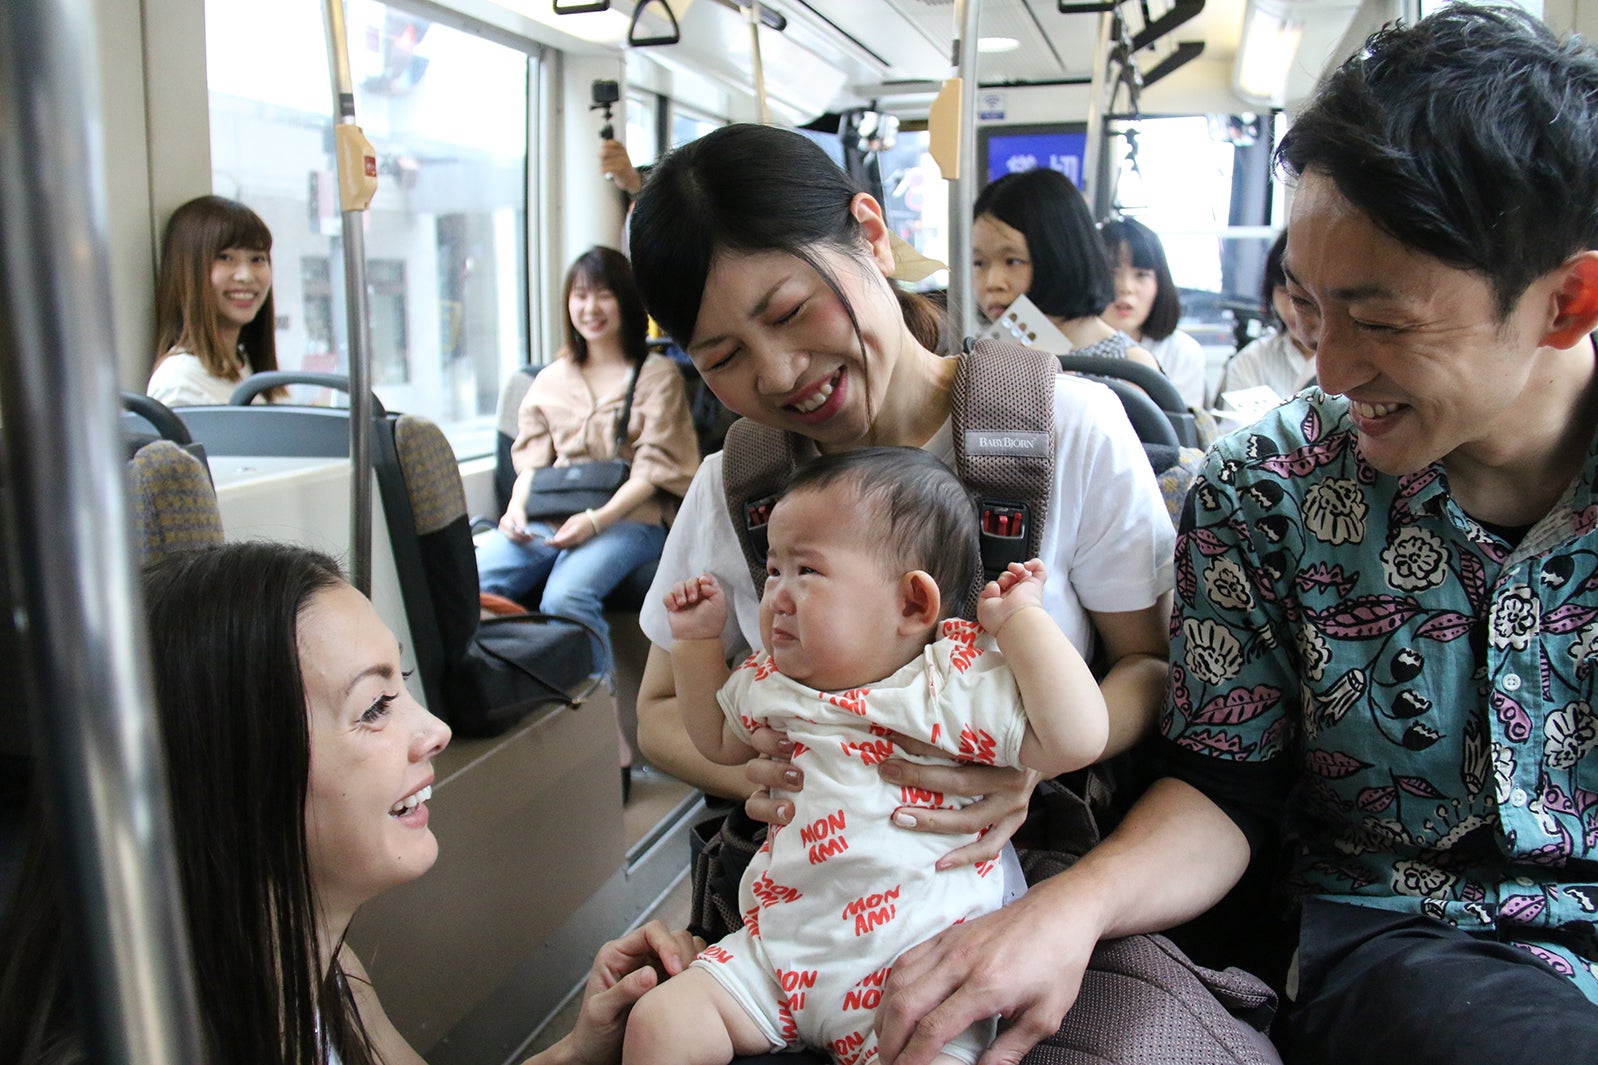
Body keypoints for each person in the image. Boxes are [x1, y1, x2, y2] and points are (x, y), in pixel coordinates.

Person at [864, 8, 1598, 1065]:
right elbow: (1222, 782)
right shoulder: (1270, 490)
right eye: (1308, 305)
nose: (1331, 369)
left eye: (1380, 322)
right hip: (1414, 950)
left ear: (1563, 302)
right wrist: (1067, 908)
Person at [0, 541, 701, 1065]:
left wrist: (579, 1048)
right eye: (374, 707)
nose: (435, 731)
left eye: (404, 686)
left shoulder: (328, 973)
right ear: (241, 772)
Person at [625, 448, 1109, 1065]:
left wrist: (1023, 622)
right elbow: (715, 738)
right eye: (773, 570)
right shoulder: (772, 678)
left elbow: (1077, 738)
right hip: (776, 954)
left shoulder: (951, 683)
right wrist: (696, 646)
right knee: (660, 1022)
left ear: (913, 604)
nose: (777, 594)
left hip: (916, 975)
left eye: (807, 571)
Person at [477, 246, 700, 679]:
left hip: (630, 516)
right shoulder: (548, 379)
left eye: (603, 295)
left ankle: (600, 721)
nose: (590, 308)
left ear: (626, 301)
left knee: (565, 596)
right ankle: (525, 685)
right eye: (580, 296)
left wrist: (596, 521)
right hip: (550, 513)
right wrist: (515, 511)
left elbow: (654, 470)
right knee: (475, 581)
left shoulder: (657, 375)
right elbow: (531, 463)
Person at [971, 168, 1158, 369]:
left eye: (1013, 261)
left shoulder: (1129, 367)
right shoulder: (975, 356)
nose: (993, 283)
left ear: (1063, 255)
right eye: (979, 263)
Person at [147, 195, 286, 406]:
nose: (245, 276)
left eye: (257, 259)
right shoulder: (180, 382)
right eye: (225, 258)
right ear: (188, 271)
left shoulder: (243, 364)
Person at [1100, 216, 1208, 410]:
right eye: (1111, 273)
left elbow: (1181, 434)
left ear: (1160, 283)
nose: (1125, 288)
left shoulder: (1181, 352)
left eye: (1141, 275)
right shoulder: (1066, 345)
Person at [1212, 230, 1317, 409]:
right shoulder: (1251, 361)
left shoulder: (1358, 361)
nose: (1293, 311)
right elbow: (1236, 434)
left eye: (1305, 298)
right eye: (1284, 293)